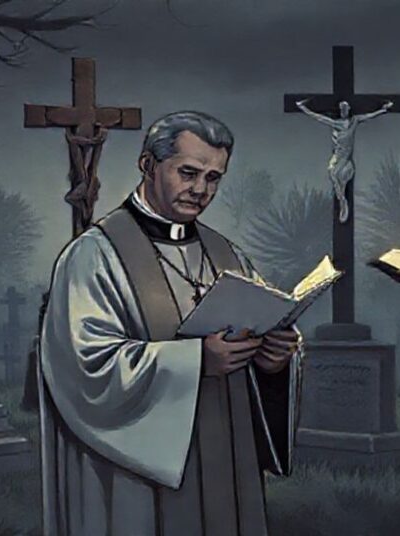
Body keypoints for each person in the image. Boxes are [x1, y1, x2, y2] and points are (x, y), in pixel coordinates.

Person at [39, 111, 301, 536]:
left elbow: (260, 329)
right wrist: (196, 361)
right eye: (188, 172)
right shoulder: (94, 256)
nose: (200, 190)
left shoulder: (227, 255)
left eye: (214, 178)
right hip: (137, 476)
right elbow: (86, 367)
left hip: (222, 462)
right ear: (148, 165)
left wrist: (273, 362)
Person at [294, 98, 394, 222]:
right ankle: (342, 201)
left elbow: (368, 116)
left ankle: (343, 201)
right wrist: (304, 109)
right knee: (334, 175)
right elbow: (318, 117)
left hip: (346, 159)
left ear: (348, 110)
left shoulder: (354, 121)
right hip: (338, 157)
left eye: (345, 109)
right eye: (341, 109)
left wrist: (383, 110)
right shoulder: (337, 123)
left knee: (339, 177)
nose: (343, 111)